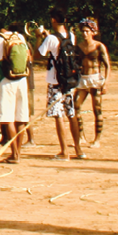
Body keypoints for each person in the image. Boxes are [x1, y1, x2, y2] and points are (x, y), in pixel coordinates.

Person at [34, 8, 82, 160]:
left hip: (55, 81)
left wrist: (39, 38)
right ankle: (78, 149)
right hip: (69, 81)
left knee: (58, 115)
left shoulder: (51, 39)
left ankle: (64, 151)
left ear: (54, 20)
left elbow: (38, 55)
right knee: (72, 113)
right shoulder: (71, 36)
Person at [0, 19, 30, 163]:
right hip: (22, 78)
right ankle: (19, 152)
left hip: (5, 80)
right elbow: (28, 56)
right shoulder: (19, 36)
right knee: (21, 117)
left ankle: (14, 153)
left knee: (7, 118)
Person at [73, 19, 110, 148]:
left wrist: (105, 82)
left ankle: (97, 139)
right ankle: (81, 136)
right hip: (83, 79)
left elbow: (107, 65)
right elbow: (76, 64)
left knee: (97, 109)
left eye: (87, 31)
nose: (84, 34)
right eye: (83, 31)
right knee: (75, 106)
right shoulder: (79, 47)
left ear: (92, 32)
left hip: (95, 79)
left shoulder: (99, 46)